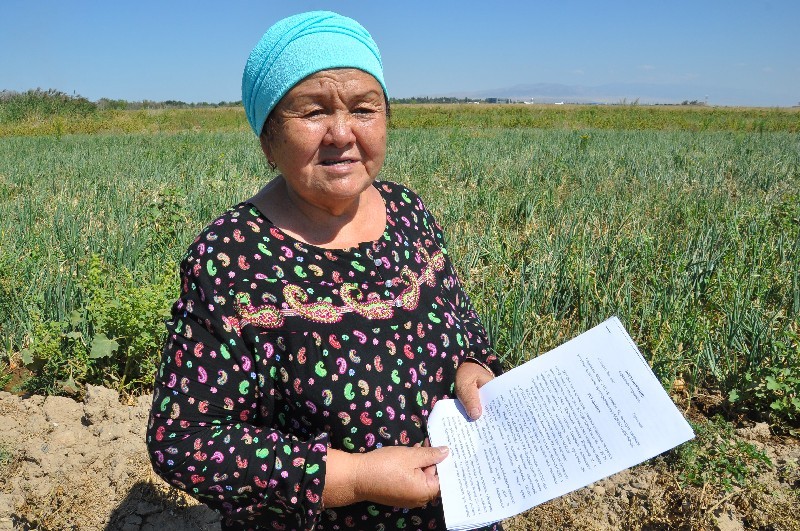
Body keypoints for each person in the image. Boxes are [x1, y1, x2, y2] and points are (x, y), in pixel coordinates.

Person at [147, 11, 502, 531]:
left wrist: (475, 363)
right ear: (268, 139)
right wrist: (354, 478)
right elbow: (185, 441)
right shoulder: (231, 259)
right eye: (312, 112)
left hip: (464, 508)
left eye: (364, 108)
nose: (342, 133)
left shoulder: (407, 212)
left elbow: (459, 317)